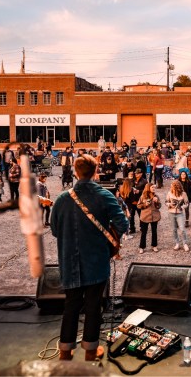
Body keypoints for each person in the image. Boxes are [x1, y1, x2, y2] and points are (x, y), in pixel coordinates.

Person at [50, 154, 128, 362]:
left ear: (75, 172)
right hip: (96, 260)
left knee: (71, 305)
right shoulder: (104, 195)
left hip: (69, 261)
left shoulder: (62, 199)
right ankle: (91, 352)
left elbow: (55, 230)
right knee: (94, 306)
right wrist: (110, 238)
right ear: (95, 171)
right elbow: (123, 224)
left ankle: (65, 352)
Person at [165, 181, 189, 252]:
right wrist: (169, 204)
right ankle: (177, 243)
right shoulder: (169, 193)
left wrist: (182, 207)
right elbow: (166, 202)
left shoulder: (183, 194)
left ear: (176, 187)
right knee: (174, 229)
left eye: (172, 186)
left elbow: (187, 203)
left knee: (182, 229)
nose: (171, 187)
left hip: (180, 213)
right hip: (171, 213)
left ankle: (185, 243)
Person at [137, 184, 161, 253]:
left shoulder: (156, 196)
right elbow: (138, 206)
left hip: (154, 217)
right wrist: (145, 205)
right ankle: (142, 247)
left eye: (154, 187)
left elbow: (159, 206)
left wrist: (157, 202)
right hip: (145, 217)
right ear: (148, 188)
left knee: (154, 231)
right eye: (152, 187)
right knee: (144, 232)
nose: (154, 188)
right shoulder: (143, 196)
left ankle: (154, 246)